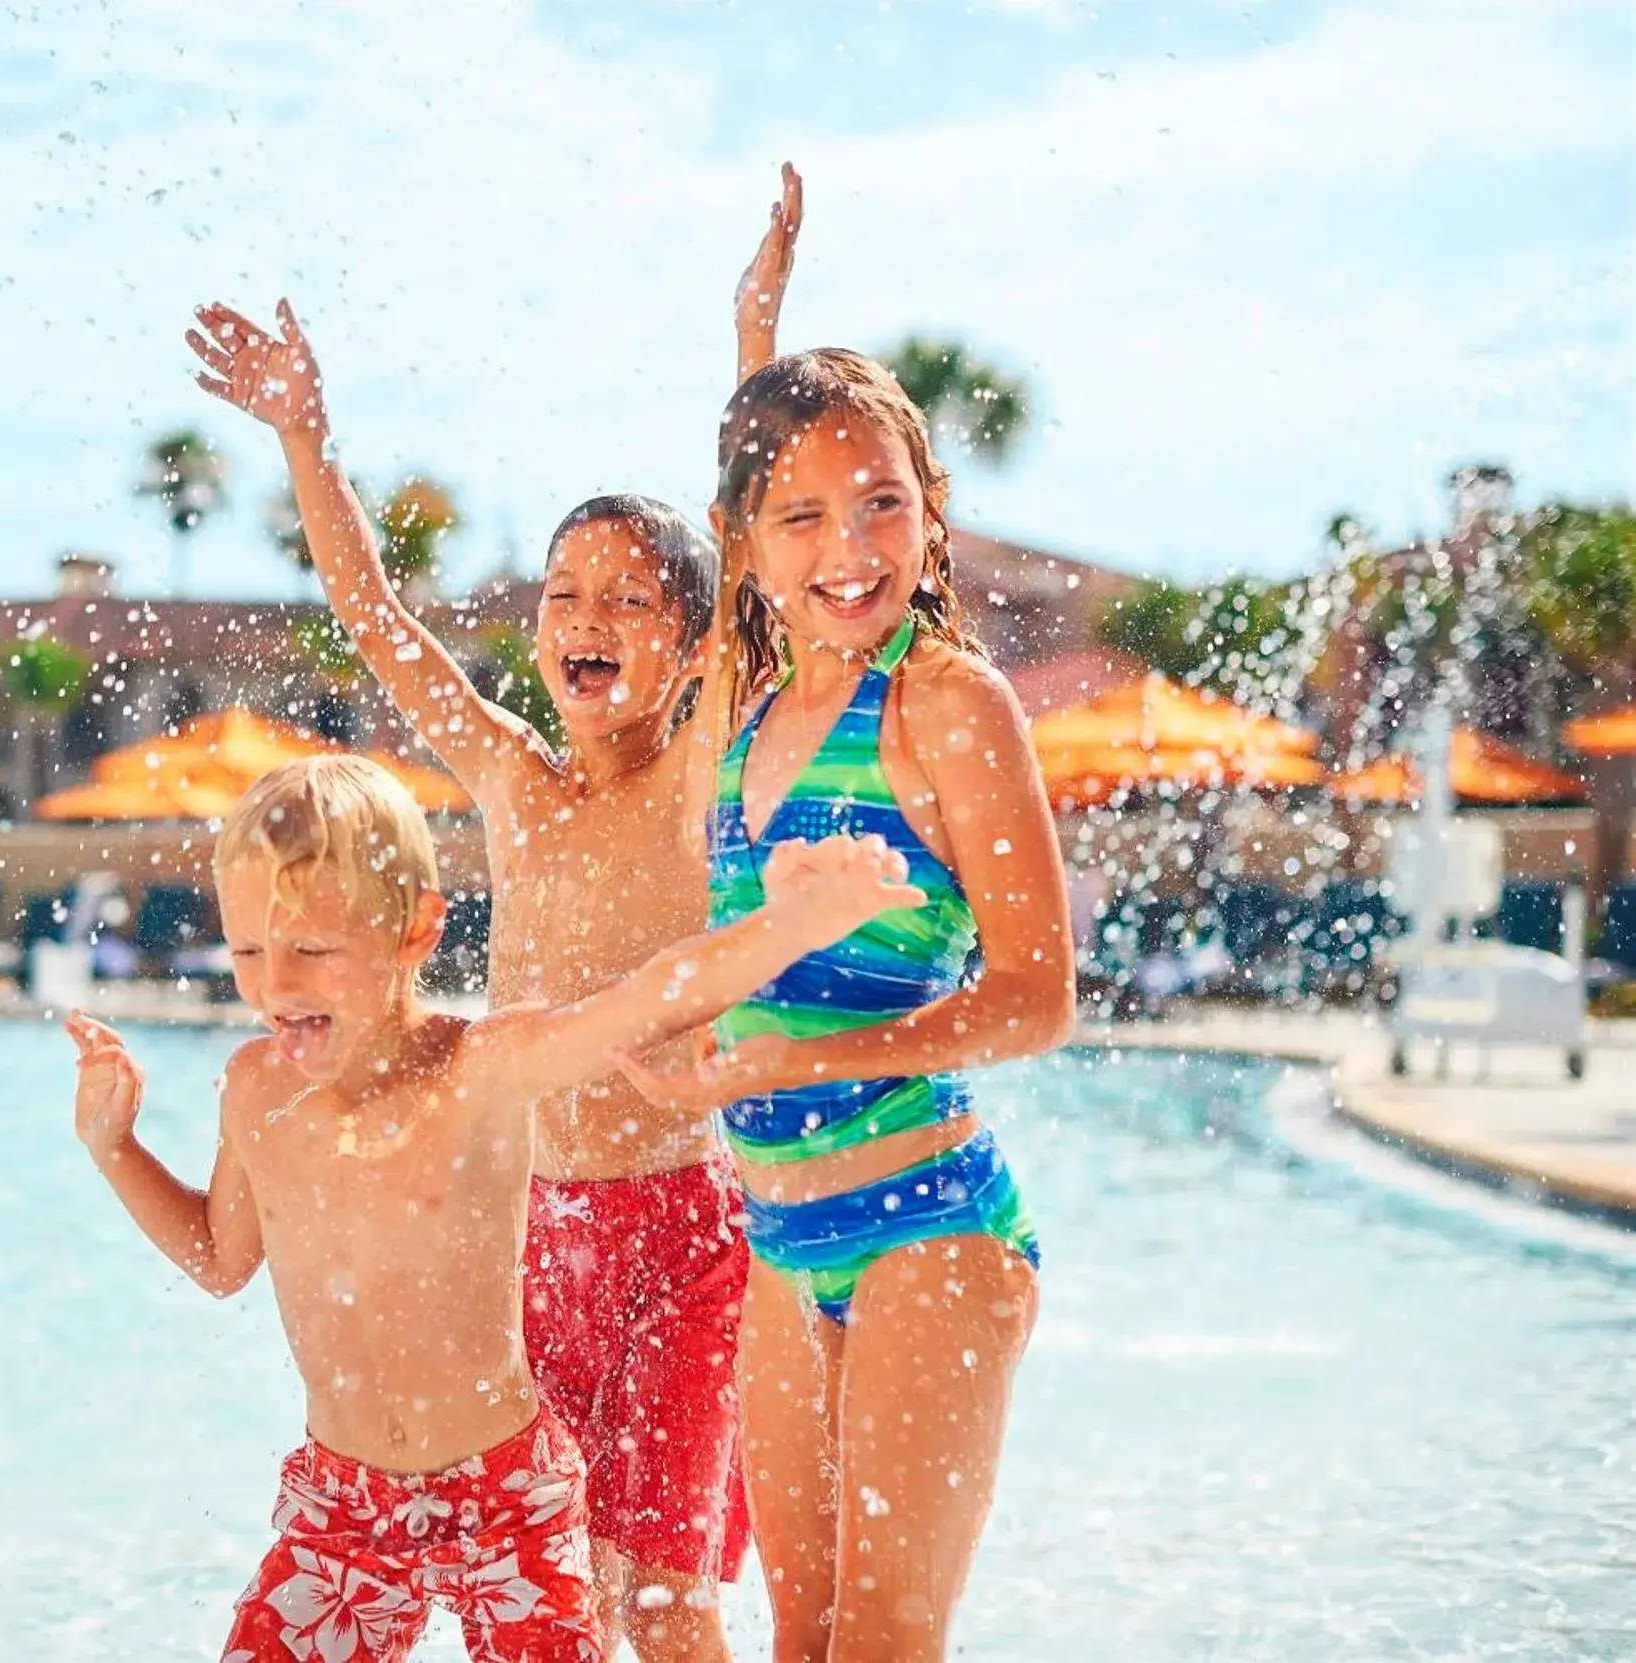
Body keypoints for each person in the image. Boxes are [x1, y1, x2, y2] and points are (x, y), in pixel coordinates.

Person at [181, 172, 802, 1660]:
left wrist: (753, 336)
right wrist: (302, 440)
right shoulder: (512, 782)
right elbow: (376, 620)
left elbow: (760, 559)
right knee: (547, 1591)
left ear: (693, 641)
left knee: (659, 1593)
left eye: (626, 600)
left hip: (675, 1221)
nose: (584, 619)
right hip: (520, 1230)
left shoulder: (704, 757)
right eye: (562, 592)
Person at [67, 756, 920, 1663]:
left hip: (505, 1496)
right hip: (341, 1508)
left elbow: (645, 999)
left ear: (414, 929)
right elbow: (218, 1258)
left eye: (311, 949)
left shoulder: (481, 1069)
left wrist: (791, 924)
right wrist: (115, 1148)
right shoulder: (255, 1091)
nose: (276, 982)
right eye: (246, 950)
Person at [610, 337, 1078, 1660]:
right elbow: (745, 979)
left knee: (878, 1644)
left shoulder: (944, 704)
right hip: (778, 1247)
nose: (849, 543)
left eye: (881, 499)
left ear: (928, 502)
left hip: (929, 1227)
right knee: (800, 1638)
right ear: (742, 541)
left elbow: (1036, 998)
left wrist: (779, 1071)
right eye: (800, 516)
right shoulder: (745, 721)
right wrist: (693, 1041)